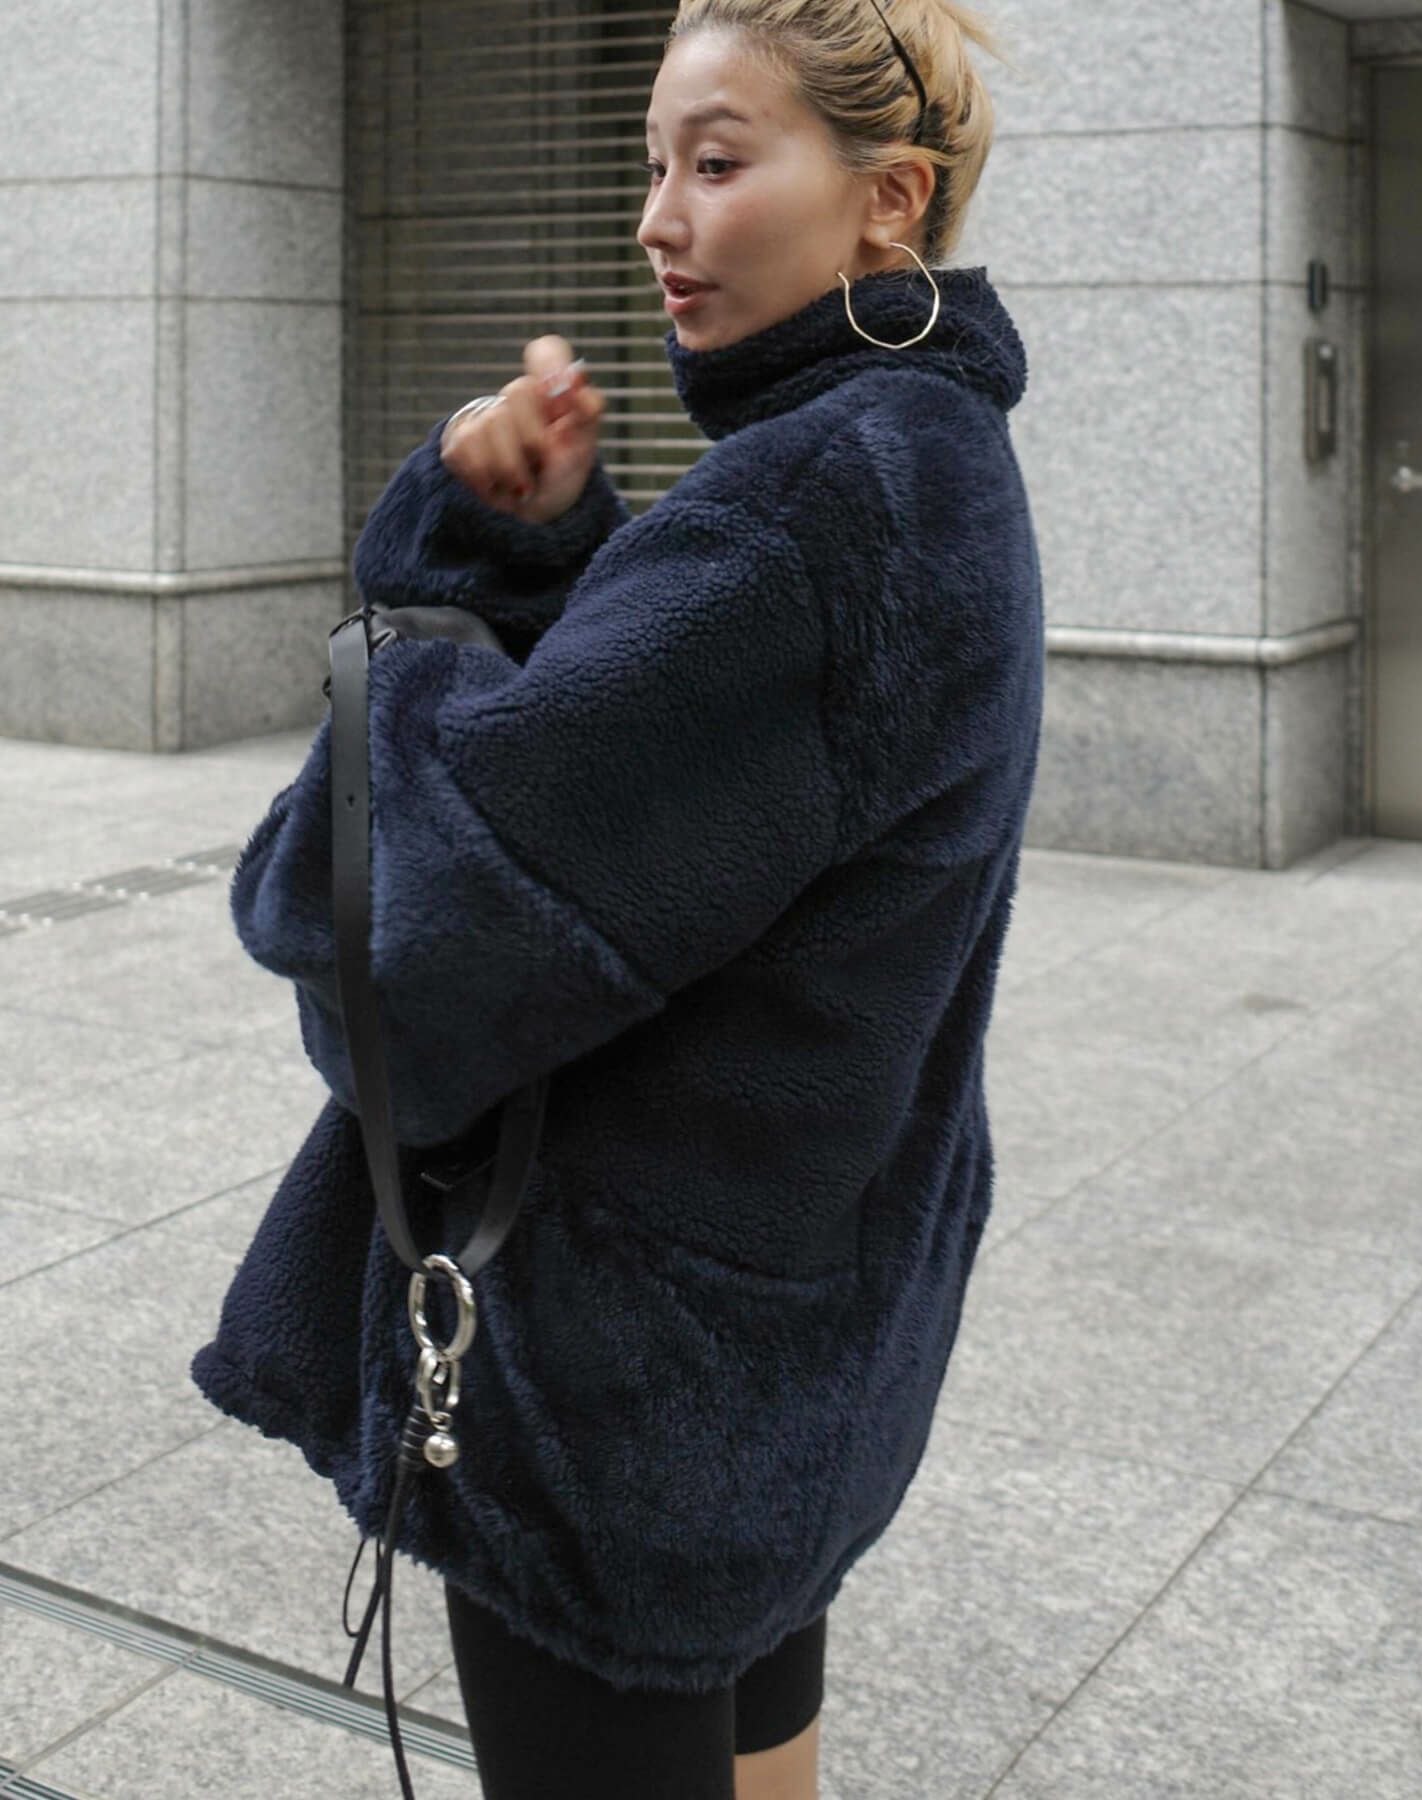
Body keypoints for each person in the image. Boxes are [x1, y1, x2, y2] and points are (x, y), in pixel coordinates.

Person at [190, 0, 1044, 1793]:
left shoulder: (818, 500)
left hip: (629, 1399)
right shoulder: (932, 454)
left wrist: (433, 589)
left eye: (716, 162)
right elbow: (688, 805)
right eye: (655, 163)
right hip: (788, 1331)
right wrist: (542, 553)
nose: (657, 217)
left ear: (891, 199)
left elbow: (387, 933)